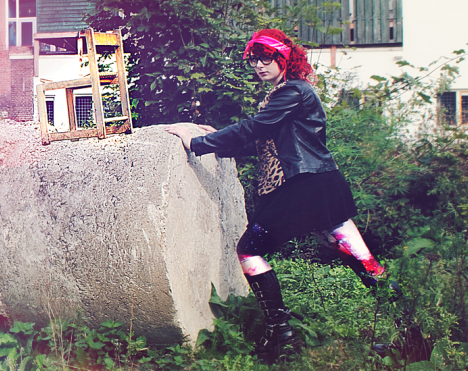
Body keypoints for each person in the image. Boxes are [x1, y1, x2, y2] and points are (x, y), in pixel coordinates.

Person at [164, 29, 388, 364]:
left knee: (250, 250)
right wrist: (219, 140)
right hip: (319, 185)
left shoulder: (292, 92)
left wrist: (196, 143)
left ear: (284, 58)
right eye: (254, 59)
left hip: (304, 187)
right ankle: (409, 329)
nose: (259, 65)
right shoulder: (290, 92)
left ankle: (281, 334)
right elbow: (266, 144)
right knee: (364, 262)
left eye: (266, 58)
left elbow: (254, 128)